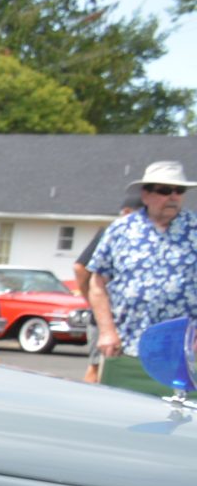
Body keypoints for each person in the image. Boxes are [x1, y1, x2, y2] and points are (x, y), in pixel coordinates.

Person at [84, 162, 197, 393]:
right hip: (126, 348)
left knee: (183, 423)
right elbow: (96, 284)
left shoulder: (194, 229)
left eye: (179, 191)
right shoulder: (120, 230)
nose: (173, 197)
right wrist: (106, 331)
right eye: (165, 190)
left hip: (183, 353)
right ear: (146, 194)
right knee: (119, 419)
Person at [72, 189, 143, 299]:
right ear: (127, 212)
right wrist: (92, 302)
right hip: (110, 305)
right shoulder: (111, 234)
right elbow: (80, 268)